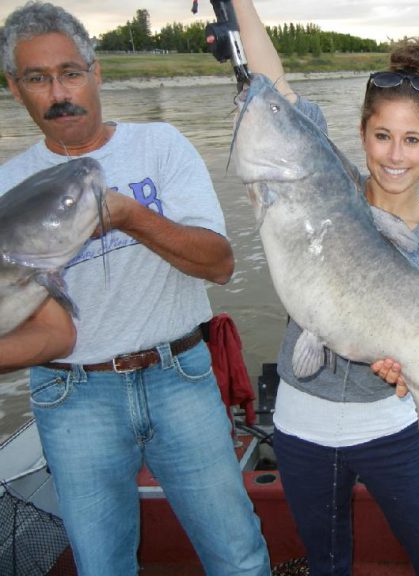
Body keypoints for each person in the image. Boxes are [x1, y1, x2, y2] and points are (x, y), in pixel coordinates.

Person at [0, 3, 271, 574]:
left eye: (71, 72)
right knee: (101, 565)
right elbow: (51, 333)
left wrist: (129, 217)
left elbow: (220, 265)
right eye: (37, 78)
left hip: (180, 377)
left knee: (238, 554)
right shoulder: (8, 187)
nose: (59, 92)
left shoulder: (162, 145)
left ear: (96, 72)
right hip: (72, 395)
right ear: (15, 87)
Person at [231, 2, 419, 574]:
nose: (394, 154)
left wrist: (408, 372)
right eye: (382, 135)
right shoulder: (317, 180)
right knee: (327, 563)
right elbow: (273, 87)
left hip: (393, 429)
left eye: (412, 140)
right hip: (302, 427)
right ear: (360, 134)